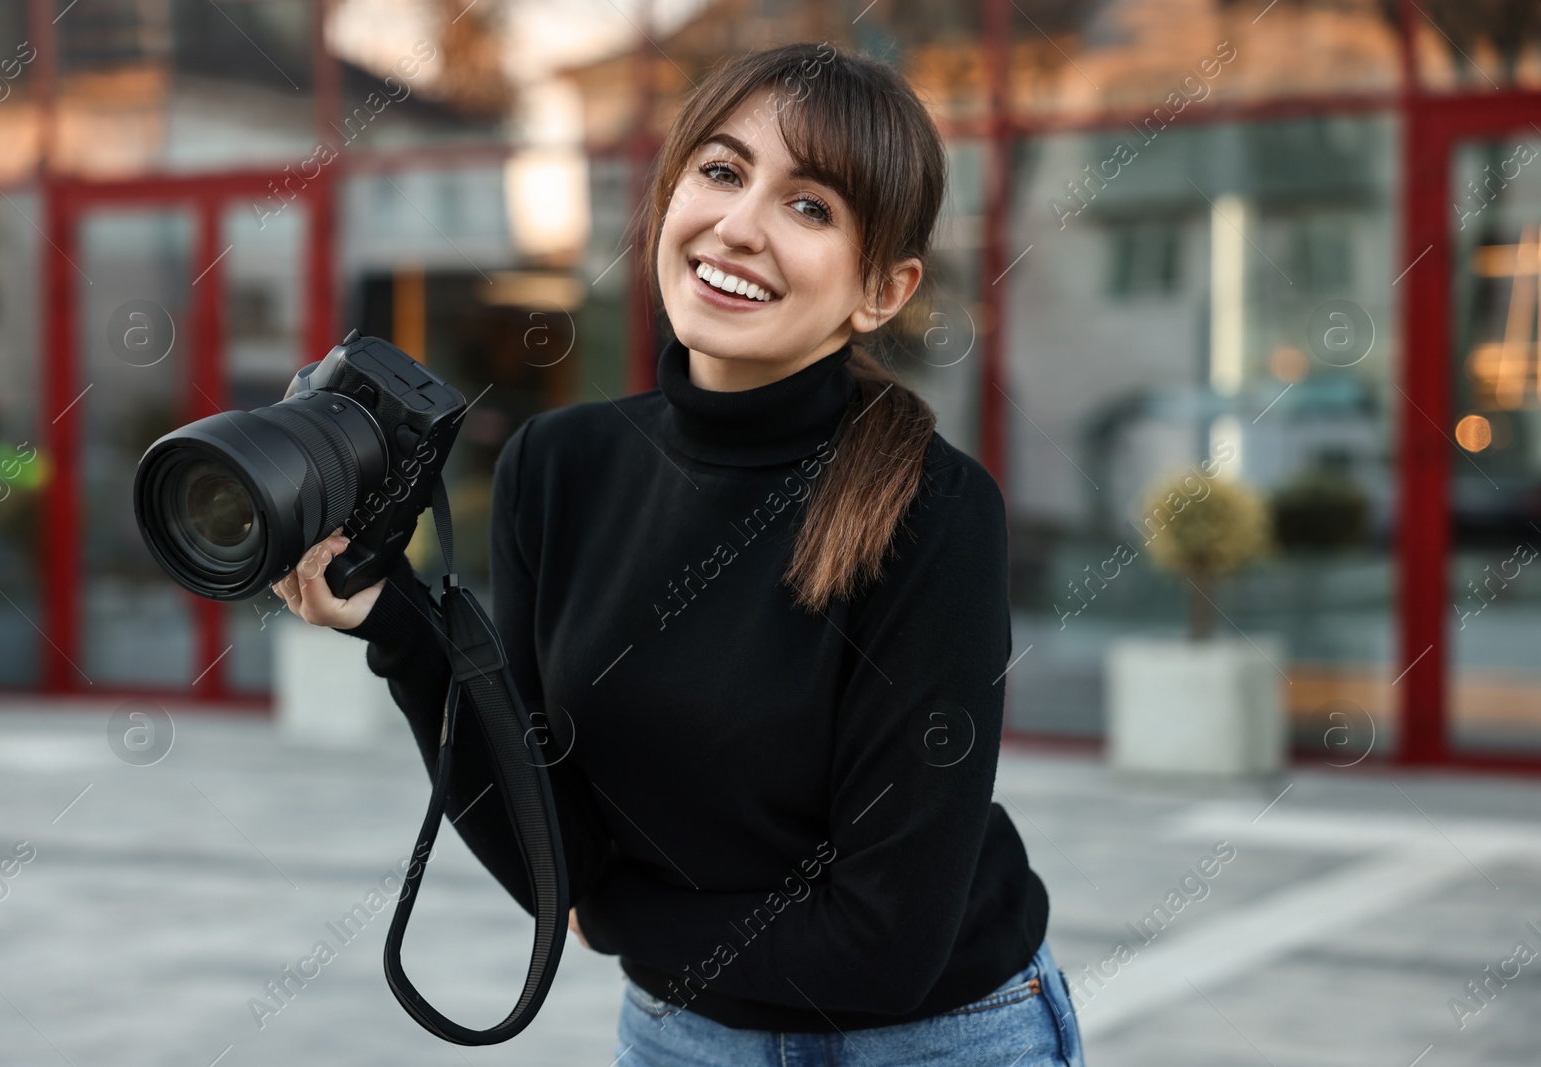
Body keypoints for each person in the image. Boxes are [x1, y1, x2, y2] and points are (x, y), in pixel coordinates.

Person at [272, 40, 1084, 1067]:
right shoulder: (558, 464)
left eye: (809, 206)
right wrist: (395, 630)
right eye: (721, 170)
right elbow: (545, 842)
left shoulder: (931, 508)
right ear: (666, 198)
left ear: (882, 288)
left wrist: (614, 918)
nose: (739, 225)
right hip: (681, 1035)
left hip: (937, 1038)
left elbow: (884, 945)